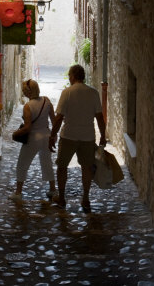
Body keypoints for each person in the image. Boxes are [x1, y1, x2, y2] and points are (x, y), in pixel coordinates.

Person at [49, 64, 106, 213]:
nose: (69, 78)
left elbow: (59, 117)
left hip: (68, 136)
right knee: (86, 168)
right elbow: (99, 117)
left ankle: (61, 198)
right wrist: (103, 136)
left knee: (62, 167)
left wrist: (52, 135)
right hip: (87, 137)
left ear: (73, 76)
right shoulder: (93, 93)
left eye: (69, 75)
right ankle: (85, 199)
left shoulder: (67, 93)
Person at [10, 79, 56, 201]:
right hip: (46, 136)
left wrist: (15, 133)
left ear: (28, 92)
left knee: (22, 164)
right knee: (47, 163)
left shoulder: (28, 106)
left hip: (33, 138)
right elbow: (54, 121)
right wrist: (53, 136)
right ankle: (53, 189)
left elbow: (27, 127)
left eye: (24, 91)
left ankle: (18, 192)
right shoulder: (47, 101)